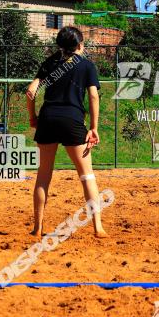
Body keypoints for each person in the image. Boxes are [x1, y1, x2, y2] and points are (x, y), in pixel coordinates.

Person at [26, 26, 106, 238]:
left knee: (43, 177)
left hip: (48, 118)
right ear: (80, 45)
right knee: (87, 176)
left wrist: (33, 117)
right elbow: (94, 96)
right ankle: (97, 227)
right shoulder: (87, 65)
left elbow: (31, 91)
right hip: (72, 119)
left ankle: (37, 228)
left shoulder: (50, 62)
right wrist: (94, 128)